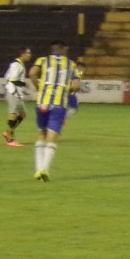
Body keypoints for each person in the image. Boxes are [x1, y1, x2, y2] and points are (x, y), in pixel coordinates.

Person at [28, 40, 79, 182]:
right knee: (52, 138)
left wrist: (38, 87)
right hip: (59, 104)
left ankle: (38, 169)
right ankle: (44, 169)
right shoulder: (71, 64)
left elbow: (32, 73)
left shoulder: (43, 60)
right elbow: (76, 86)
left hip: (42, 103)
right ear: (63, 49)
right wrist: (65, 87)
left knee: (41, 134)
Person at [1, 47, 32, 146]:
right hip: (13, 92)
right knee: (13, 114)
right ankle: (10, 138)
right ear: (22, 54)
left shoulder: (18, 65)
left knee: (22, 114)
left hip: (16, 92)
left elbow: (6, 76)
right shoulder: (17, 65)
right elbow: (13, 79)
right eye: (28, 53)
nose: (29, 55)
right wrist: (24, 84)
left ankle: (9, 132)